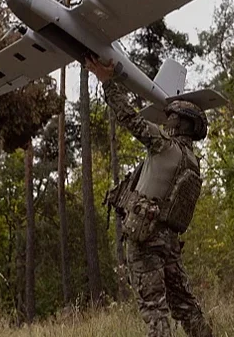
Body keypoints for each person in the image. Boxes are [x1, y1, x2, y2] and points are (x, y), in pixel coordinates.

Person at [86, 56, 213, 337]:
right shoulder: (191, 160)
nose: (168, 121)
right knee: (186, 306)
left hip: (145, 239)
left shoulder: (164, 147)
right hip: (169, 242)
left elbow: (129, 118)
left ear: (180, 124)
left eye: (172, 118)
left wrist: (107, 82)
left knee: (154, 310)